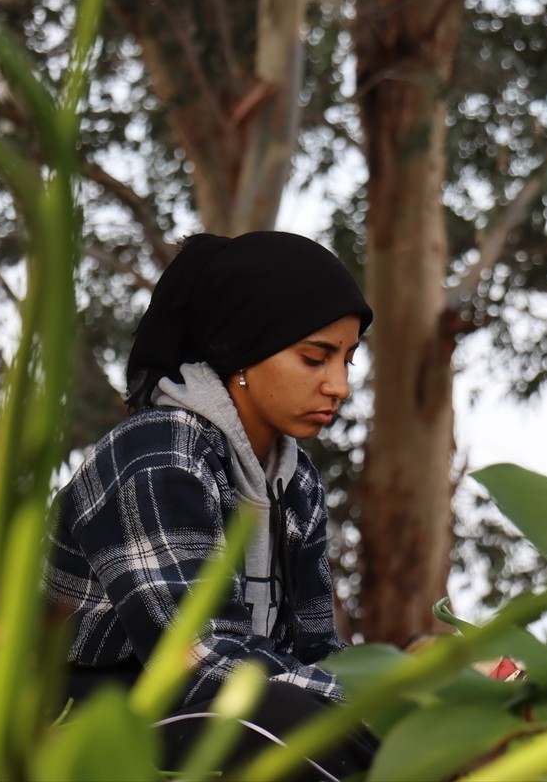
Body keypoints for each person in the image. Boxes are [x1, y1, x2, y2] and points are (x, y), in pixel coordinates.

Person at [42, 231, 377, 778]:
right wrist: (377, 703)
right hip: (82, 721)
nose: (338, 385)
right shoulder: (157, 452)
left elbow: (315, 651)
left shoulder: (297, 485)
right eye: (315, 357)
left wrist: (422, 694)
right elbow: (195, 659)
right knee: (283, 719)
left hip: (213, 713)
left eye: (348, 361)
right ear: (240, 349)